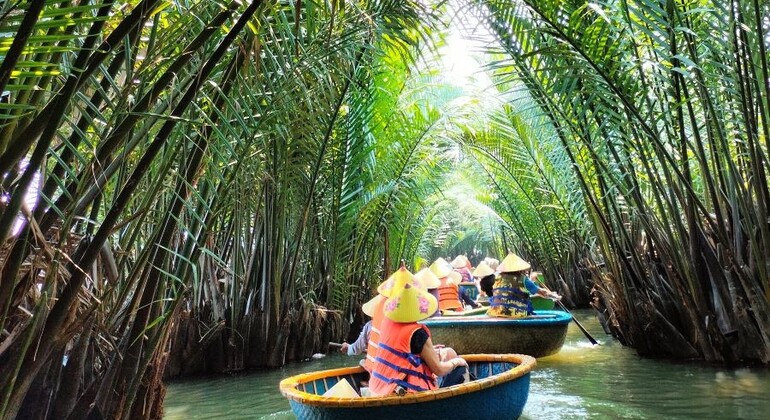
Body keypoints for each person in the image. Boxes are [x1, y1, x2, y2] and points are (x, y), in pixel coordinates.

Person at [369, 266, 469, 396]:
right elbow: (439, 370)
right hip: (405, 392)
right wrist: (457, 362)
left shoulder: (387, 322)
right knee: (460, 366)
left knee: (448, 353)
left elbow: (402, 351)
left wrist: (430, 351)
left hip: (377, 388)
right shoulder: (418, 334)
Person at [487, 252, 561, 318]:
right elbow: (542, 292)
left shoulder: (497, 278)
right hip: (517, 314)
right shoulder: (523, 279)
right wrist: (554, 296)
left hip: (496, 313)